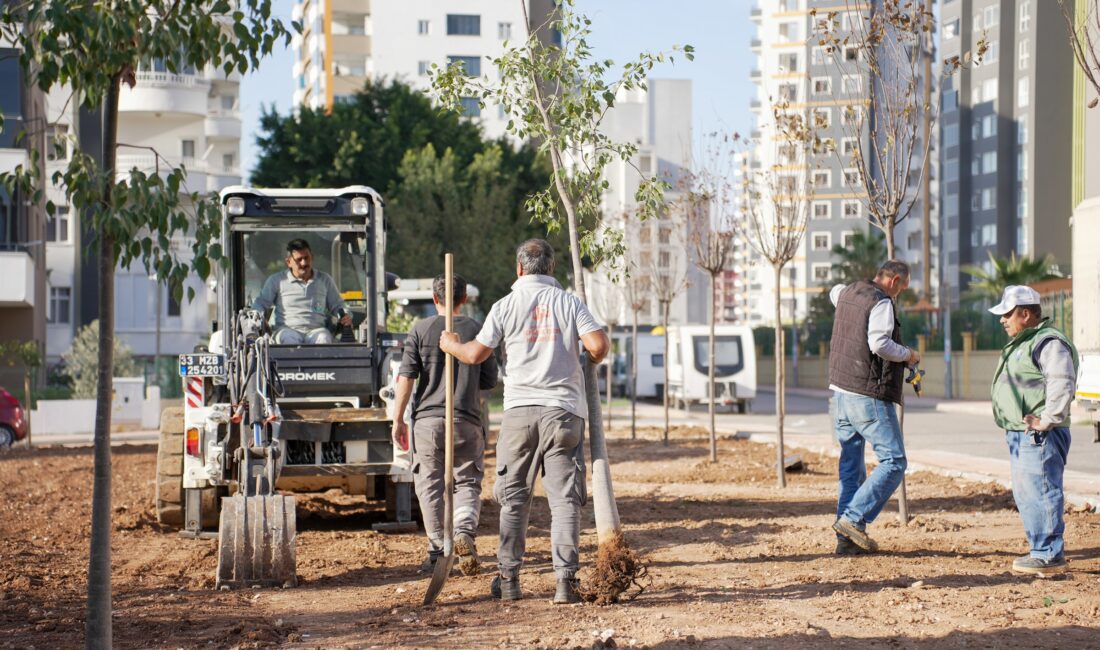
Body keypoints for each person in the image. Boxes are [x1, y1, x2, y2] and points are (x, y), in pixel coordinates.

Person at [440, 239, 609, 605]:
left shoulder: (505, 305)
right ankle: (566, 582)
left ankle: (509, 581)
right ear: (551, 267)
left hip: (519, 413)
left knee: (514, 499)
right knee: (564, 501)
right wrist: (584, 358)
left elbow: (475, 354)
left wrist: (451, 345)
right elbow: (598, 346)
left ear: (519, 268)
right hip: (563, 413)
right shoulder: (569, 303)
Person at [390, 274, 498, 576]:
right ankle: (463, 531)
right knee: (467, 481)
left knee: (429, 484)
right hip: (467, 420)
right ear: (464, 299)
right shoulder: (478, 329)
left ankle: (438, 549)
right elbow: (489, 379)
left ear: (435, 298)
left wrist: (398, 419)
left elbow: (406, 378)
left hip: (428, 423)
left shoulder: (420, 329)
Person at [827, 260, 920, 555]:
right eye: (902, 288)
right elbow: (879, 344)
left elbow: (834, 291)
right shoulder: (881, 302)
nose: (900, 294)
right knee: (894, 461)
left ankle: (847, 542)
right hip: (866, 394)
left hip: (839, 394)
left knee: (851, 469)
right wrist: (908, 355)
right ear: (894, 281)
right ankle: (853, 520)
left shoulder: (847, 292)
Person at [988, 285, 1079, 576]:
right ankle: (1041, 550)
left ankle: (1048, 554)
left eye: (1007, 314)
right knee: (1028, 493)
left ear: (1025, 314)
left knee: (1041, 491)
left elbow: (1062, 381)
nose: (1002, 319)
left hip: (1040, 434)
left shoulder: (1048, 342)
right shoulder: (1025, 342)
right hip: (1022, 433)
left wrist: (1048, 419)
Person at [252, 238, 352, 344]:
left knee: (324, 338)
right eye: (299, 260)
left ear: (312, 257)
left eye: (306, 258)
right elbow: (260, 303)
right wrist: (257, 317)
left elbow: (338, 305)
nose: (304, 263)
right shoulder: (277, 280)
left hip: (316, 330)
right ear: (289, 262)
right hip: (287, 329)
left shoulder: (324, 280)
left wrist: (346, 315)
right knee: (288, 339)